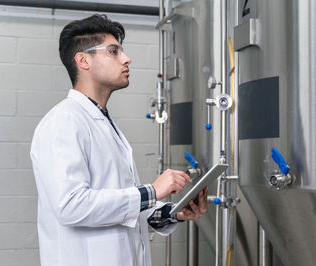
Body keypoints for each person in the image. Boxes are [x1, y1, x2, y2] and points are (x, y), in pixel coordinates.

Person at [30, 14, 208, 266]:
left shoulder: (102, 123)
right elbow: (70, 205)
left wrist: (173, 212)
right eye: (113, 51)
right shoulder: (64, 121)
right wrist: (152, 191)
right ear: (82, 60)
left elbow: (124, 212)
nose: (126, 59)